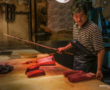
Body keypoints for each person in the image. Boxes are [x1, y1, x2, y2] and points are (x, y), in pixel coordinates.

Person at [57, 1, 105, 80]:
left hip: (89, 66)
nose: (79, 19)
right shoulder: (75, 27)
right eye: (76, 16)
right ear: (72, 16)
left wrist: (99, 70)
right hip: (77, 64)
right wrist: (65, 48)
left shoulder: (93, 29)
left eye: (82, 15)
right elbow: (76, 42)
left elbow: (101, 50)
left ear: (86, 13)